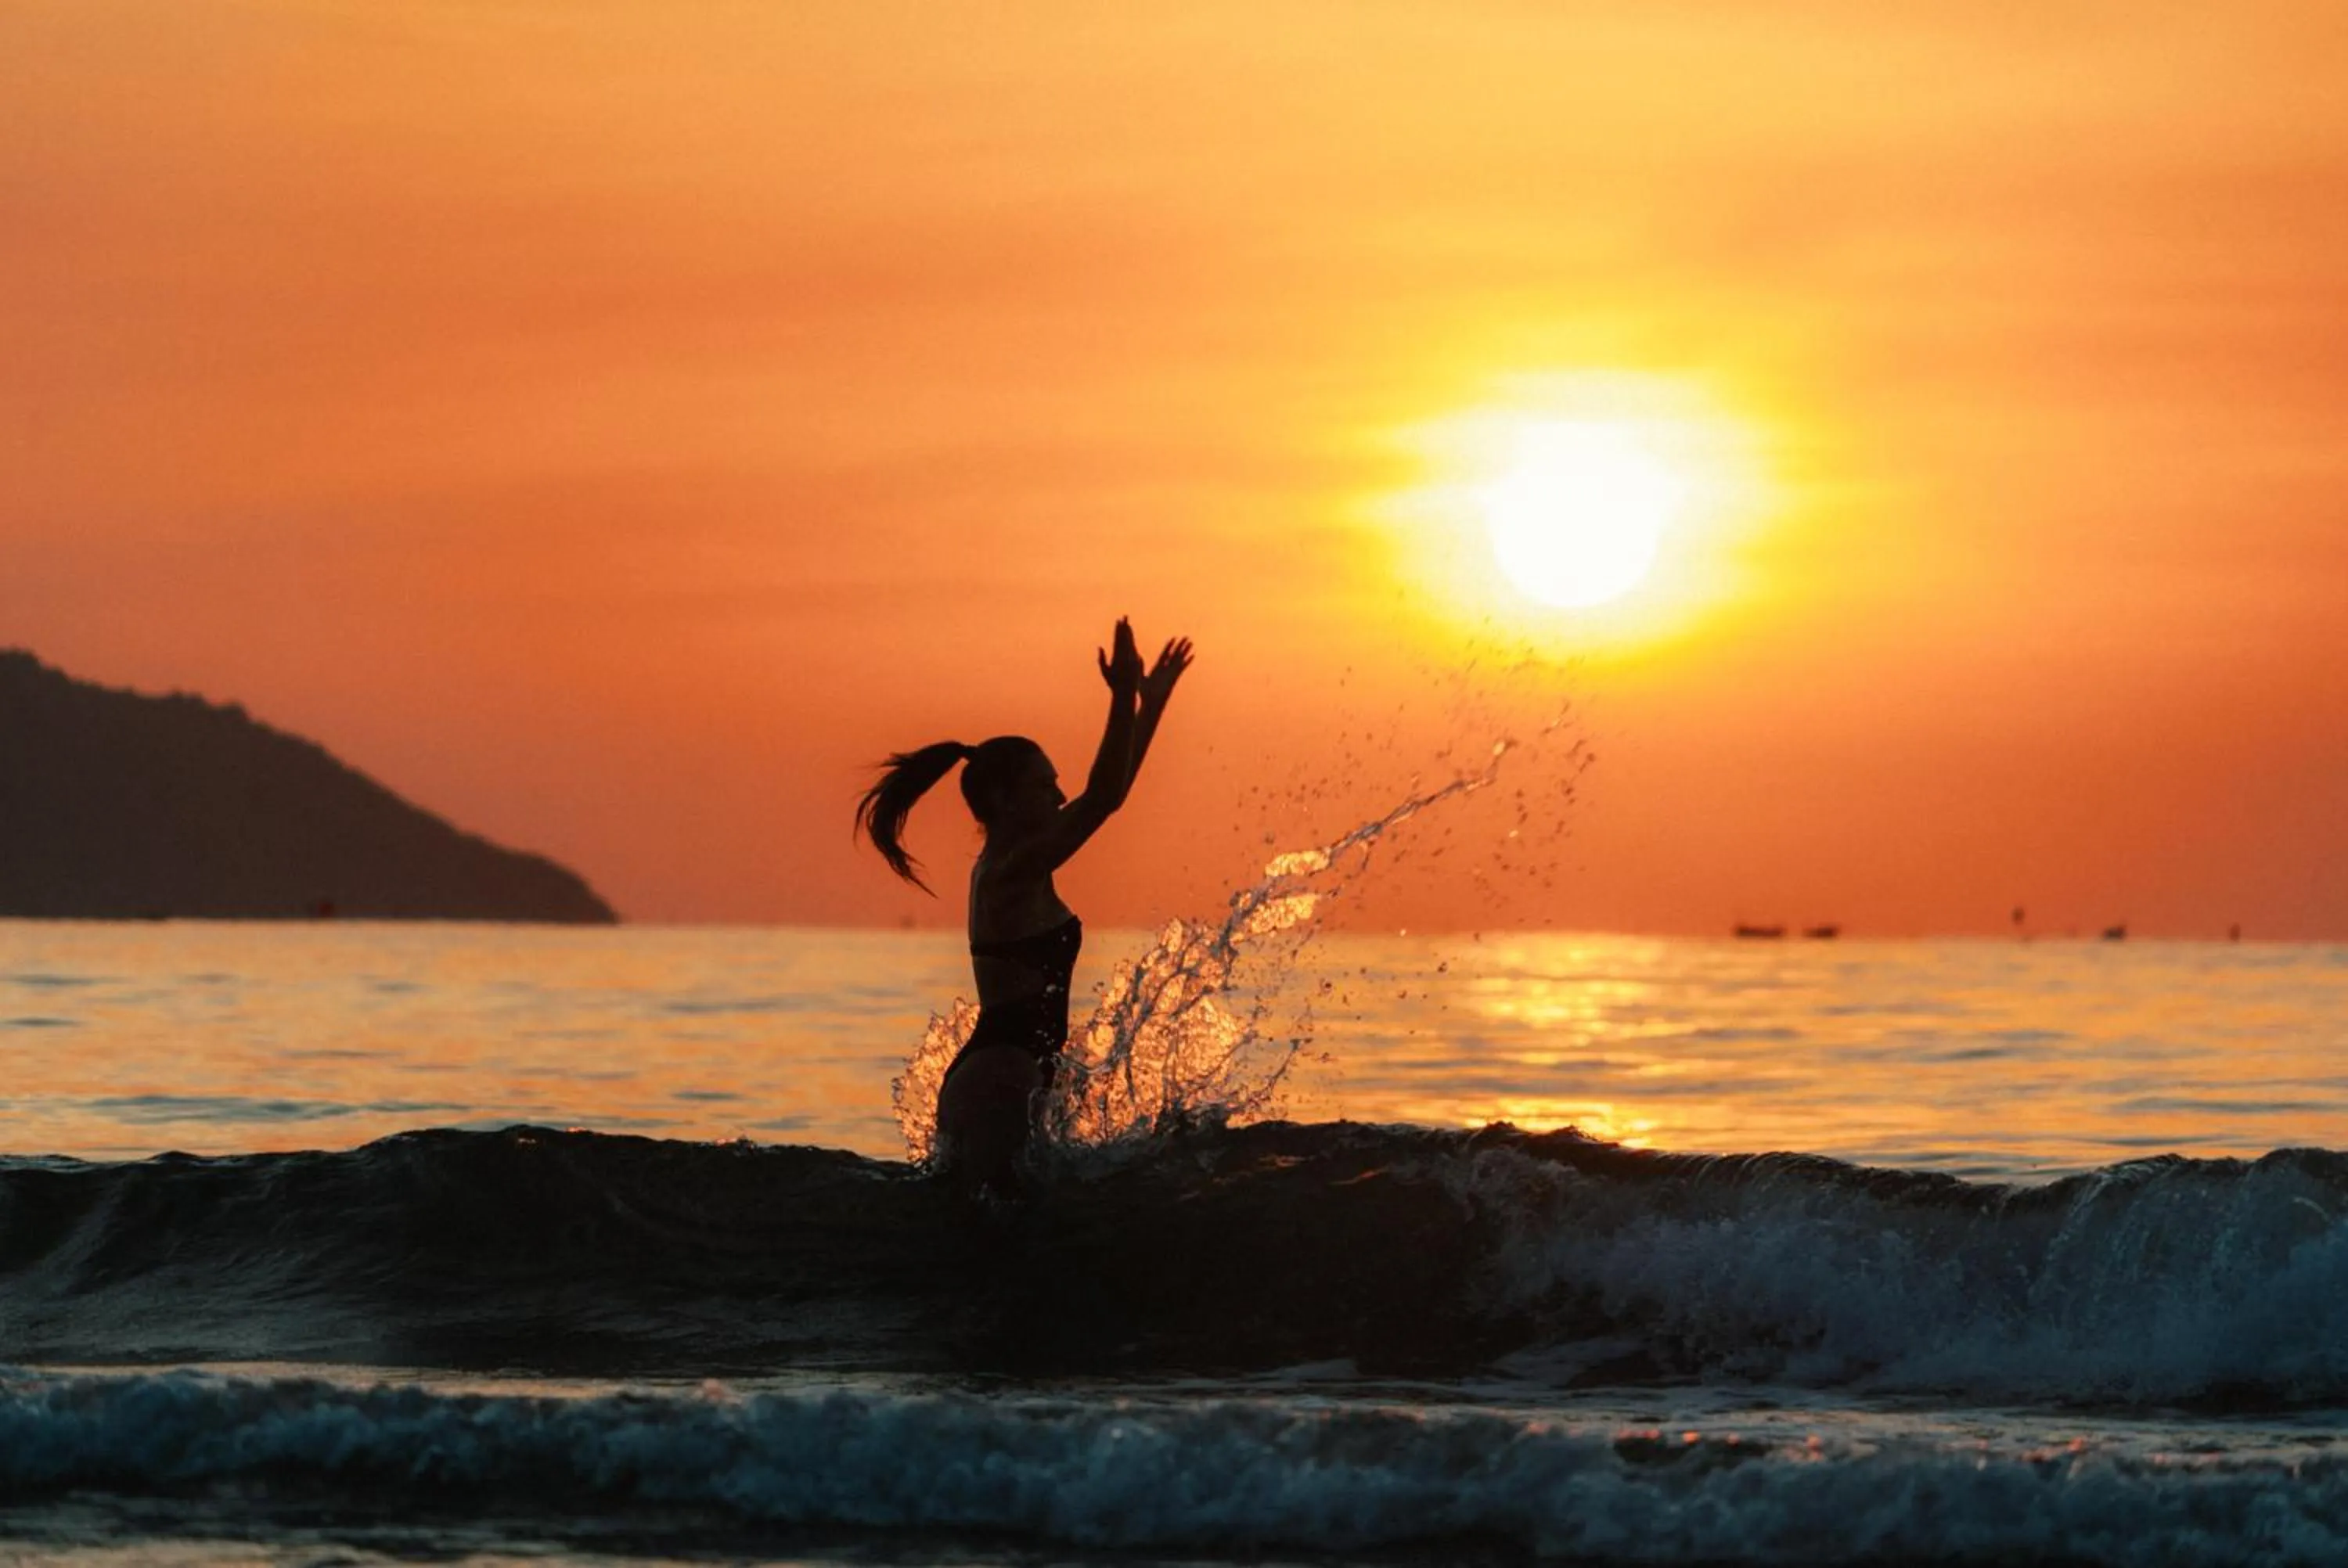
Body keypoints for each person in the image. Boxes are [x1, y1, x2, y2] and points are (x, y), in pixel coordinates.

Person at [854, 618, 1192, 1196]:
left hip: (1004, 1079)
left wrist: (1149, 705)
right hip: (997, 1082)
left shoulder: (1015, 866)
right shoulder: (1011, 872)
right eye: (1044, 786)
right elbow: (1103, 796)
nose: (1060, 797)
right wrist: (1120, 698)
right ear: (1003, 801)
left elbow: (1111, 793)